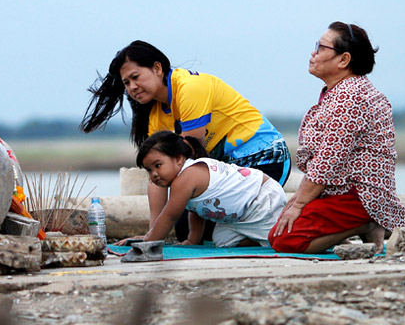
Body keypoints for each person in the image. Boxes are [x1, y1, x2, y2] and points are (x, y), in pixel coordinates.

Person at [81, 41, 291, 238]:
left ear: (157, 68)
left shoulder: (190, 87)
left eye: (136, 77)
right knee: (183, 230)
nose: (132, 87)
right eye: (126, 83)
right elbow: (158, 172)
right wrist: (153, 234)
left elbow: (191, 156)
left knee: (200, 229)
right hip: (229, 172)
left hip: (265, 159)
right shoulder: (156, 115)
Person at [269, 22, 405, 254]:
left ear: (343, 60)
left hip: (359, 194)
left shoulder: (349, 97)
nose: (314, 53)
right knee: (279, 232)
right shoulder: (343, 91)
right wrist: (299, 199)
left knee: (286, 240)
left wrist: (300, 203)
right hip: (342, 191)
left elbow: (328, 161)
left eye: (320, 48)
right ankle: (357, 227)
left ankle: (366, 222)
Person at [122, 131, 288, 247]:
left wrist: (149, 242)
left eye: (158, 165)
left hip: (261, 199)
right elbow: (197, 210)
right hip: (239, 218)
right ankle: (258, 238)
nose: (154, 174)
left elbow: (170, 216)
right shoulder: (182, 179)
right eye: (149, 170)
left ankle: (270, 234)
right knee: (221, 241)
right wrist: (193, 239)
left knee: (281, 240)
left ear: (179, 159)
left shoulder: (187, 176)